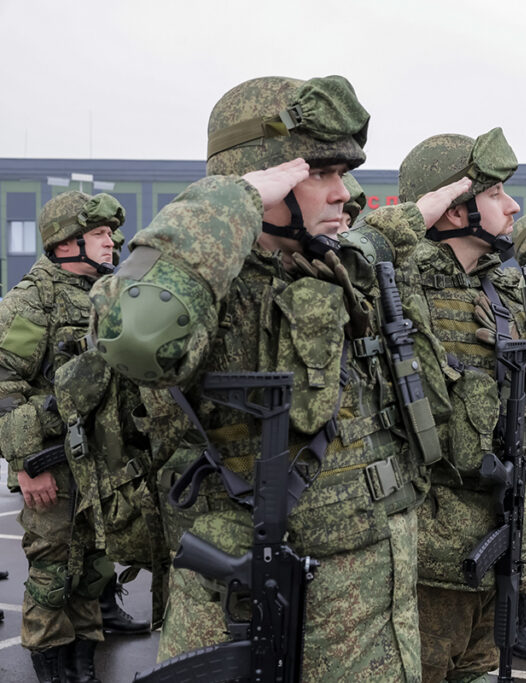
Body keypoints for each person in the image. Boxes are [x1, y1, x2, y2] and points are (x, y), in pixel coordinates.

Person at [89, 75, 464, 681]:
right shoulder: (212, 289)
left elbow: (381, 236)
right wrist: (228, 199)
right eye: (321, 173)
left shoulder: (328, 265)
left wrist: (436, 203)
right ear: (266, 181)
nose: (345, 193)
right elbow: (138, 334)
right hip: (253, 597)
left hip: (367, 598)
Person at [391, 128, 526, 682]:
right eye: (494, 194)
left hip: (505, 531)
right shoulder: (396, 291)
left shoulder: (503, 293)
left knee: (480, 667)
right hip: (433, 551)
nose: (513, 207)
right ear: (453, 210)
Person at [0, 190, 125, 681]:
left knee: (93, 567)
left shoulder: (107, 293)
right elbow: (5, 388)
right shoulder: (32, 299)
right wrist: (29, 465)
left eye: (109, 233)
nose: (110, 241)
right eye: (98, 233)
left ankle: (82, 661)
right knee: (53, 569)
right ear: (66, 242)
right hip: (51, 462)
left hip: (99, 461)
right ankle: (49, 662)